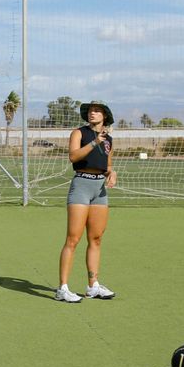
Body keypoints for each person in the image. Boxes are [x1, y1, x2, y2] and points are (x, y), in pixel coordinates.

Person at [55, 101, 117, 303]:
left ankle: (93, 286)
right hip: (81, 186)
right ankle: (62, 288)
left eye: (97, 111)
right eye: (90, 111)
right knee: (73, 239)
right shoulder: (79, 133)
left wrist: (112, 172)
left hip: (99, 190)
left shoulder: (109, 140)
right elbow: (73, 157)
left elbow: (107, 164)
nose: (93, 114)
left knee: (96, 239)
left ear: (105, 116)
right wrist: (94, 143)